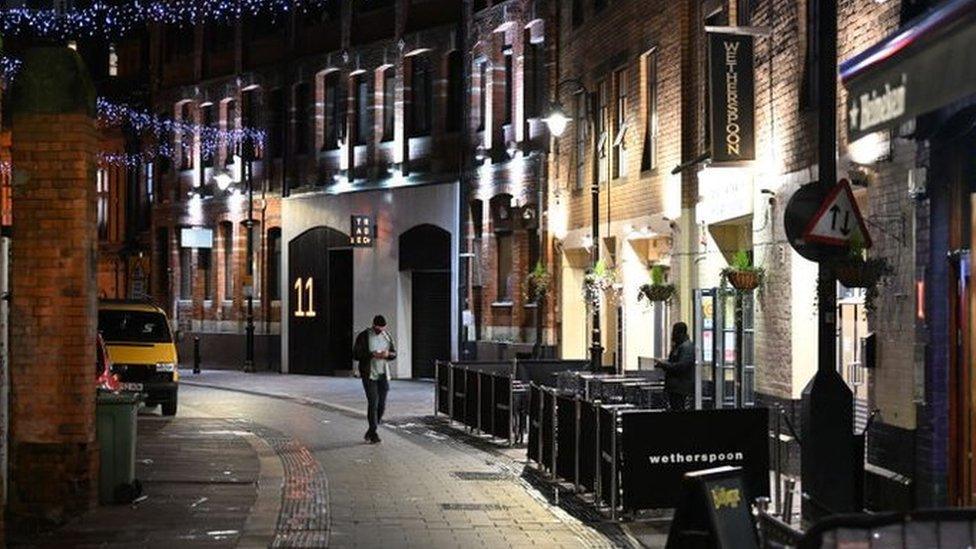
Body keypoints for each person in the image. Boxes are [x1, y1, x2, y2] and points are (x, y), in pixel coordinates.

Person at [353, 315, 397, 443]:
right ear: (373, 325)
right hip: (369, 374)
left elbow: (394, 353)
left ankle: (371, 431)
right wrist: (372, 354)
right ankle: (374, 433)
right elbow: (356, 354)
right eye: (378, 329)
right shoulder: (364, 336)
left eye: (382, 328)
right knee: (373, 402)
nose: (380, 331)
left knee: (381, 405)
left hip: (383, 374)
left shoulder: (387, 336)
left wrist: (388, 354)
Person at [655, 322, 695, 411]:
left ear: (680, 333)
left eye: (674, 332)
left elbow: (681, 366)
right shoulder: (678, 346)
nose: (672, 335)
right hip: (675, 388)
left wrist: (664, 364)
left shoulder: (686, 347)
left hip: (681, 389)